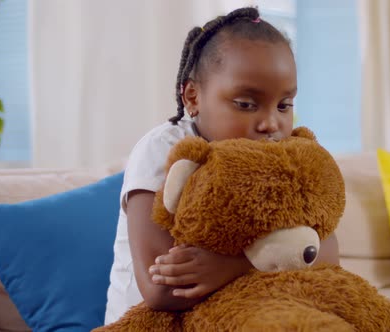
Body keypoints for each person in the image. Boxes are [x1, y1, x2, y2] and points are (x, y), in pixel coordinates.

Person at [104, 6, 340, 325]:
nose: (271, 123)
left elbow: (326, 251)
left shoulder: (284, 155)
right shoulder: (164, 149)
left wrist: (235, 266)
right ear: (192, 97)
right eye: (246, 104)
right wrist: (280, 257)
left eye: (284, 105)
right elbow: (160, 289)